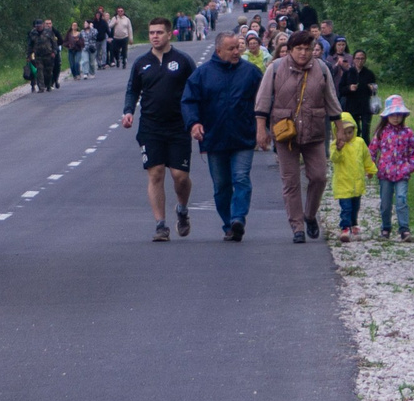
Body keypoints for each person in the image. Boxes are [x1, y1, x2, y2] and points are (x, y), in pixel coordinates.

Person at [254, 29, 341, 244]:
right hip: (285, 134)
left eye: (307, 49)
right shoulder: (275, 68)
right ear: (290, 50)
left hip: (314, 132)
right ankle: (297, 227)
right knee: (291, 181)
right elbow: (263, 101)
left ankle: (310, 215)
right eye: (299, 49)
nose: (303, 53)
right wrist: (261, 130)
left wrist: (339, 129)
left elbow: (331, 101)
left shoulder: (322, 69)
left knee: (319, 177)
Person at [119, 18, 196, 239]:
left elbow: (196, 88)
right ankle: (160, 225)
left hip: (178, 126)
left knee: (180, 176)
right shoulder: (141, 63)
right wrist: (128, 111)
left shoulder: (183, 61)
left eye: (159, 32)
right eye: (152, 32)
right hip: (150, 126)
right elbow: (132, 90)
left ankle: (182, 209)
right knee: (156, 173)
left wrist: (197, 119)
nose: (155, 36)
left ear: (169, 34)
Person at [182, 29, 263, 240]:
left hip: (243, 136)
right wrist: (194, 123)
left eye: (238, 47)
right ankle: (228, 224)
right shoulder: (202, 74)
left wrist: (264, 127)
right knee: (221, 185)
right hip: (214, 138)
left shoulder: (251, 72)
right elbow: (189, 101)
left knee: (241, 178)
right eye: (231, 48)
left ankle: (238, 218)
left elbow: (264, 100)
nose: (236, 52)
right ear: (218, 51)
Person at [373, 96, 414, 240]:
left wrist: (410, 166)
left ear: (403, 116)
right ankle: (386, 228)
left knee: (401, 199)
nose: (396, 118)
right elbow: (372, 150)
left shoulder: (408, 132)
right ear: (387, 116)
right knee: (385, 202)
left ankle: (404, 229)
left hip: (402, 173)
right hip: (385, 173)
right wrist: (370, 167)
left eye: (399, 114)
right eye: (392, 114)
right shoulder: (381, 132)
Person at [330, 112, 375, 242]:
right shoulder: (336, 145)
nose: (347, 135)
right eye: (344, 133)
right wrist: (338, 149)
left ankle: (354, 224)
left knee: (355, 207)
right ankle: (345, 227)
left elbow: (366, 157)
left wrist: (370, 169)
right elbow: (335, 159)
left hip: (357, 183)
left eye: (350, 132)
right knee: (346, 208)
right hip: (343, 183)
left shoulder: (359, 142)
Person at [334, 47, 380, 140]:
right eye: (358, 58)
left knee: (365, 130)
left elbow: (374, 91)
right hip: (352, 105)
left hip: (365, 106)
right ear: (354, 59)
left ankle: (366, 147)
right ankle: (355, 146)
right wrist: (349, 88)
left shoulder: (369, 74)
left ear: (365, 60)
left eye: (362, 58)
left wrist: (372, 88)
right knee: (355, 130)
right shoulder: (348, 73)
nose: (360, 61)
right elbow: (341, 90)